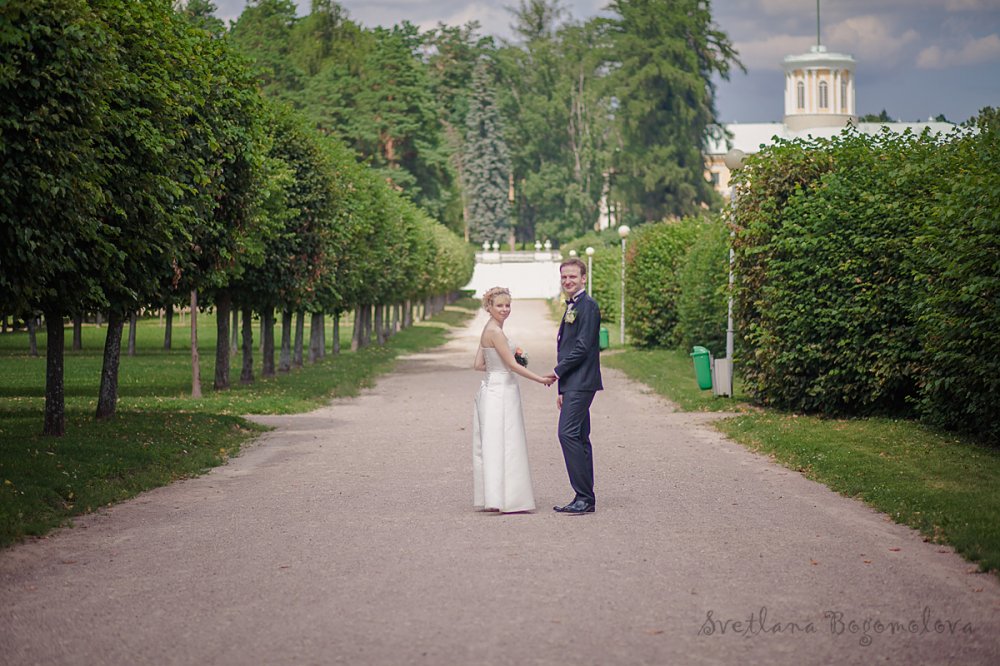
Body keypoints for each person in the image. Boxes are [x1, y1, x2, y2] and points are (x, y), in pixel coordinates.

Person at [472, 287, 555, 513]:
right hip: (502, 391)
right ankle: (508, 498)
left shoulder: (489, 328)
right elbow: (511, 365)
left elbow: (478, 364)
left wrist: (497, 368)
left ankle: (496, 497)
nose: (504, 309)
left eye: (507, 305)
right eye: (499, 305)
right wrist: (540, 379)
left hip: (492, 387)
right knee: (507, 441)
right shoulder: (496, 332)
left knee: (496, 443)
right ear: (489, 307)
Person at [544, 258, 603, 515]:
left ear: (583, 278)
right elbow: (566, 346)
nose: (568, 281)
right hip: (573, 383)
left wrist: (557, 373)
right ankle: (586, 497)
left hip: (582, 380)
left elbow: (582, 347)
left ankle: (583, 496)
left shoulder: (588, 306)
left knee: (566, 434)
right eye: (564, 277)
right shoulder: (574, 305)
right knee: (579, 436)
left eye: (573, 276)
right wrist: (562, 389)